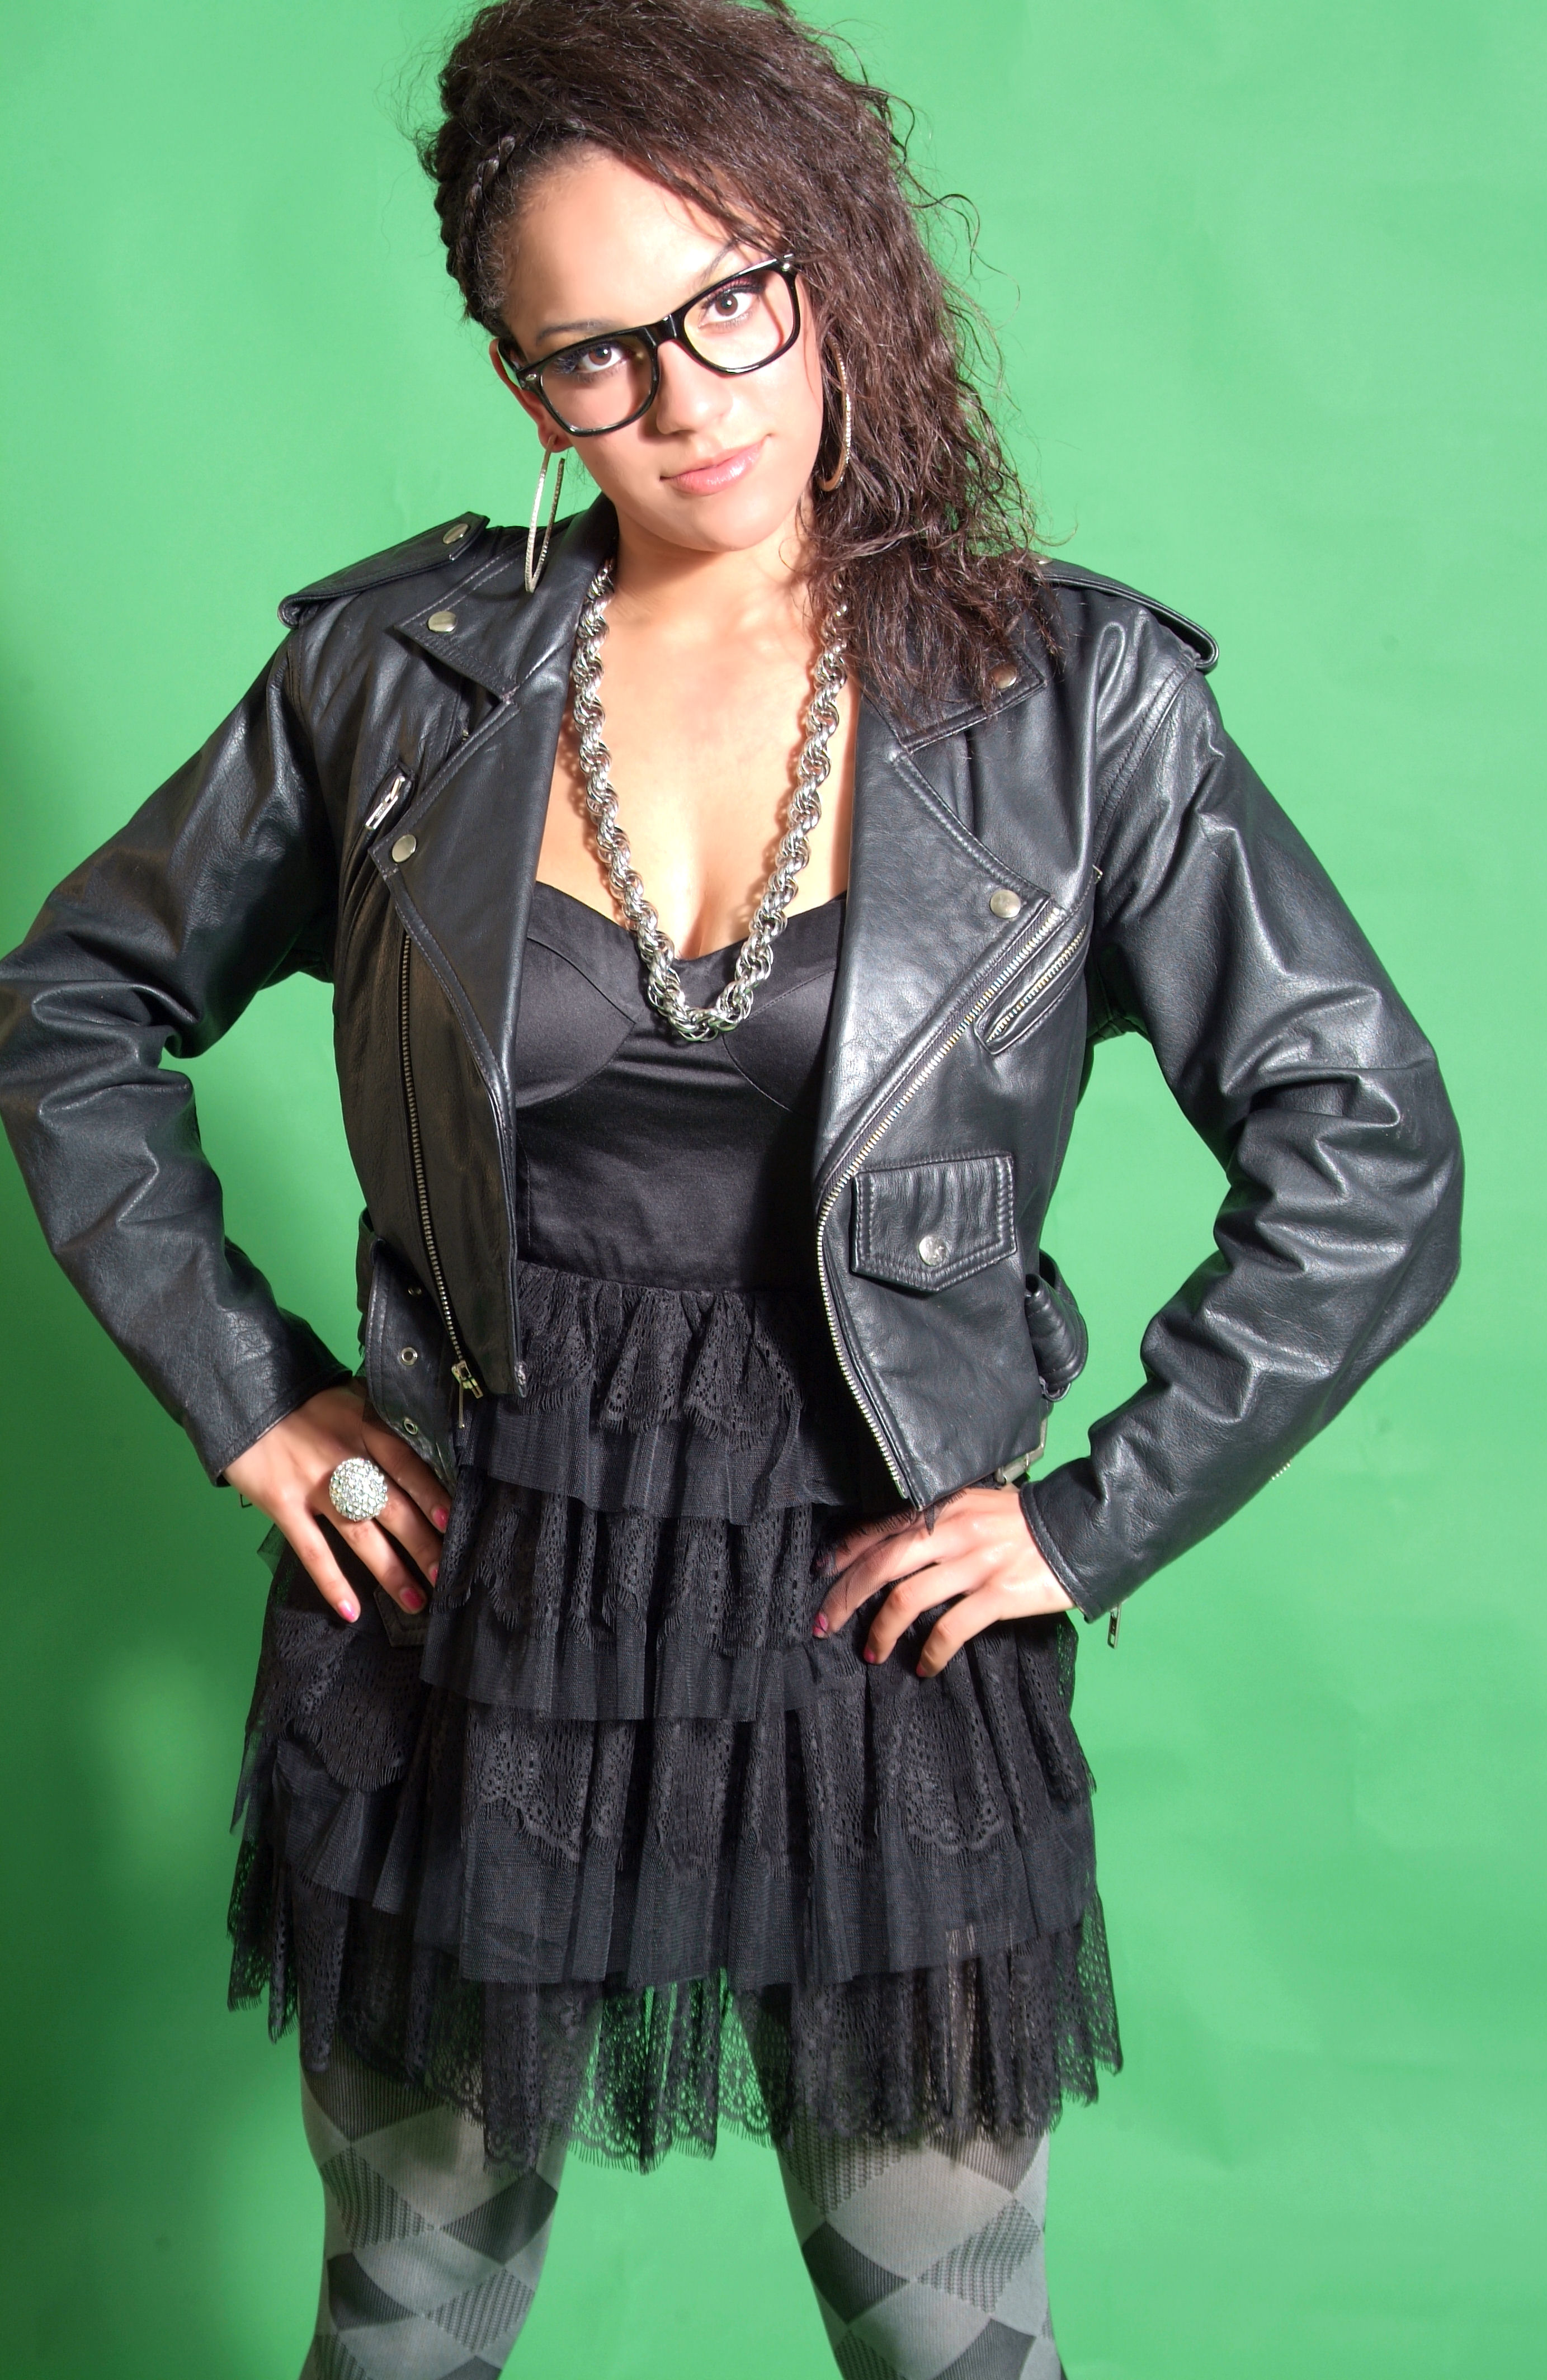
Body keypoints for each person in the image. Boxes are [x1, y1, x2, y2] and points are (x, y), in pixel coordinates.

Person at [0, 2, 1463, 2373]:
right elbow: (73, 1004)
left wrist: (1089, 1520)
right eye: (594, 351)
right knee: (407, 2316)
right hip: (469, 1587)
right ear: (521, 382)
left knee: (949, 2337)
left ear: (832, 271)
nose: (686, 398)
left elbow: (1366, 1139)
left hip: (879, 1608)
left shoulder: (1075, 701)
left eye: (731, 300)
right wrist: (252, 1394)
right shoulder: (393, 679)